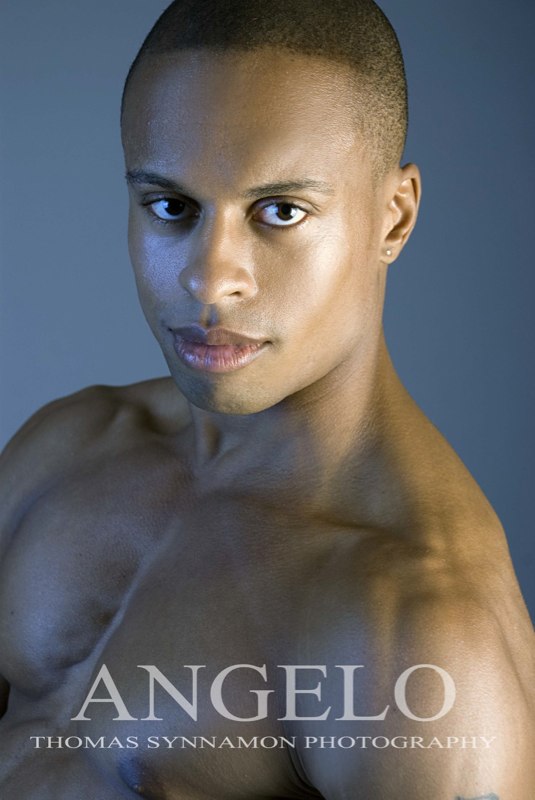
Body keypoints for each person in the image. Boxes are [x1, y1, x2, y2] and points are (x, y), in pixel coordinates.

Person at [0, 0, 533, 797]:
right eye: (171, 207)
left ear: (393, 218)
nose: (209, 279)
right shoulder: (67, 444)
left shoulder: (417, 635)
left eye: (280, 212)